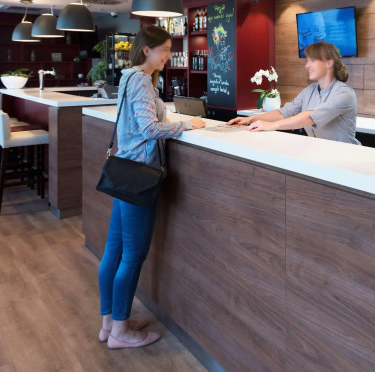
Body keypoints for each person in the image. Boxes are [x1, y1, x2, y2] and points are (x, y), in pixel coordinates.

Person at [98, 26, 205, 349]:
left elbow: (140, 122)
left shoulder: (129, 77)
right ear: (147, 50)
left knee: (114, 251)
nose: (169, 55)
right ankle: (121, 332)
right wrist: (186, 124)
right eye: (165, 49)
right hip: (140, 175)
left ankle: (110, 323)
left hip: (124, 171)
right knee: (132, 256)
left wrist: (168, 119)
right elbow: (148, 129)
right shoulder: (142, 80)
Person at [227, 41, 360, 145]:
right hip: (319, 152)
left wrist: (271, 126)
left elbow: (311, 117)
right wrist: (249, 119)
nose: (307, 66)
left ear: (329, 63)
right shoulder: (310, 90)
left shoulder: (345, 93)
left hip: (344, 156)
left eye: (313, 61)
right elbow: (285, 112)